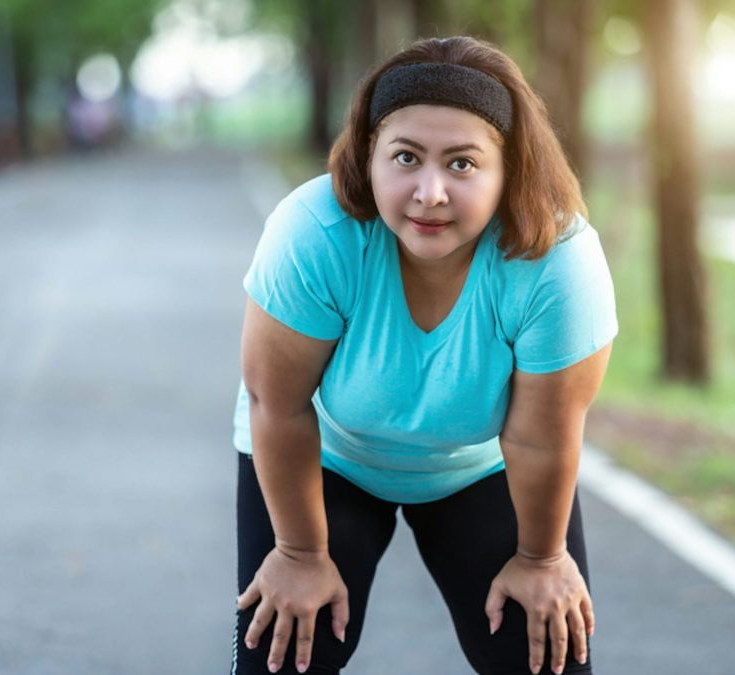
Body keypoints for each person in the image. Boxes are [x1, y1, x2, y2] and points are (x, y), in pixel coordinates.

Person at [229, 35, 617, 675]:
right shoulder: (316, 232)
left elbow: (543, 440)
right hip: (326, 454)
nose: (429, 192)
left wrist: (544, 560)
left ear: (508, 170)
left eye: (462, 164)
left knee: (543, 651)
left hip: (480, 465)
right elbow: (278, 403)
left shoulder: (557, 261)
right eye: (405, 157)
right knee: (290, 649)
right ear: (369, 156)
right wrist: (298, 554)